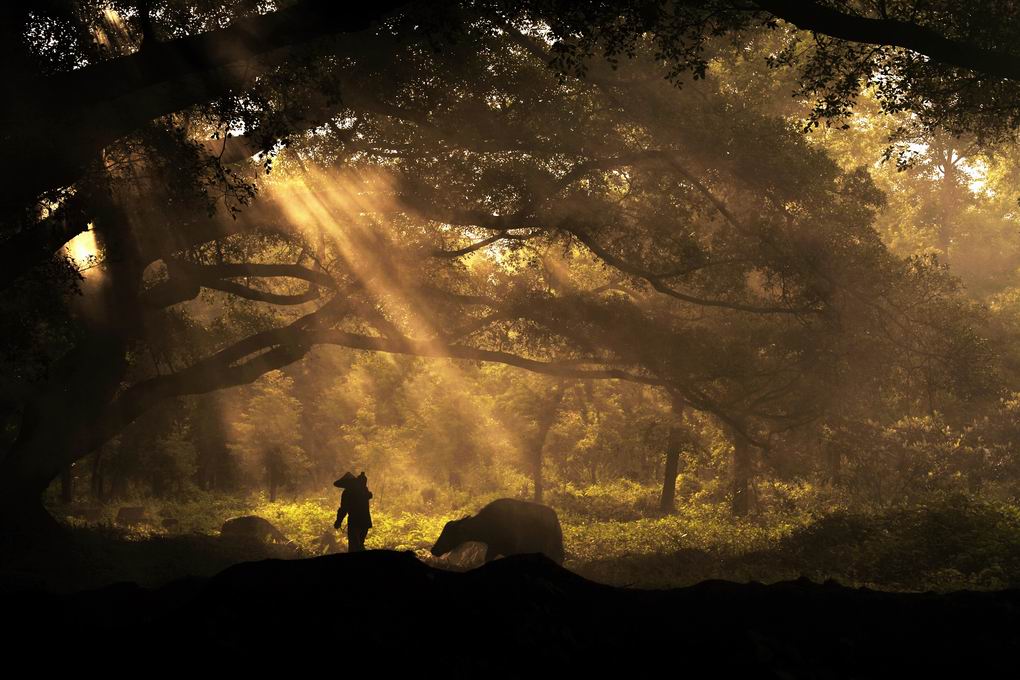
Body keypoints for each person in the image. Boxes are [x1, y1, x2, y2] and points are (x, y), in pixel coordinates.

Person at [333, 471, 373, 552]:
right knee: (360, 544)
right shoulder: (363, 490)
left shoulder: (347, 493)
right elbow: (369, 496)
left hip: (354, 522)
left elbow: (343, 509)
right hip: (365, 521)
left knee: (354, 547)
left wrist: (338, 521)